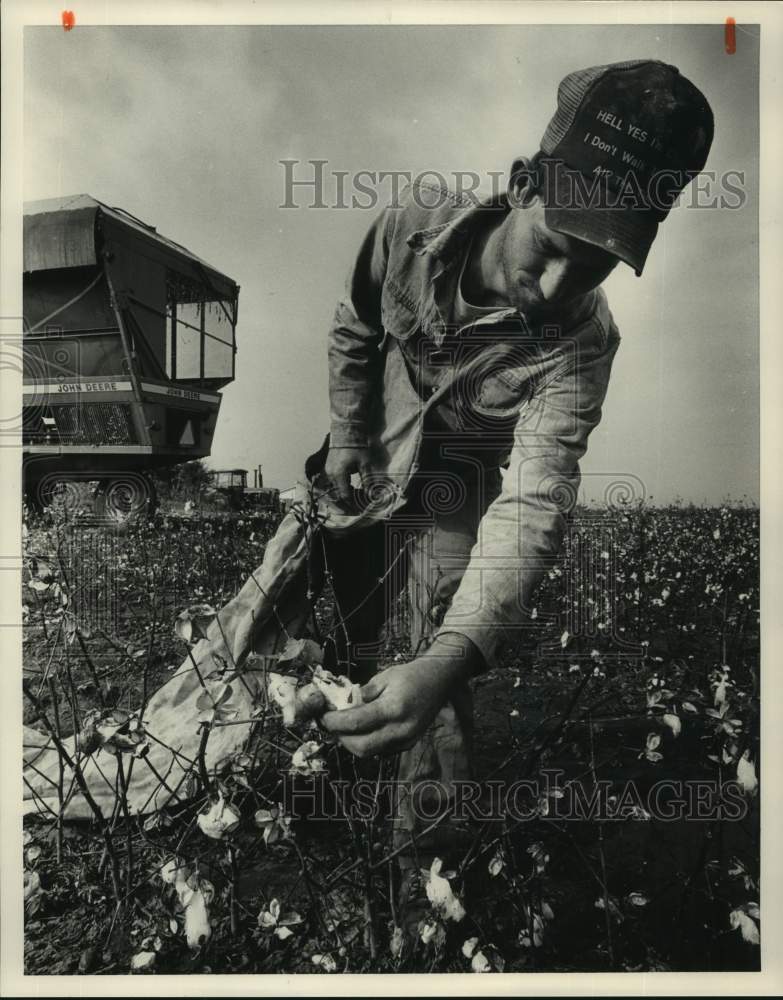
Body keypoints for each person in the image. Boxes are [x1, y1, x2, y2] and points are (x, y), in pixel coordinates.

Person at [312, 59, 714, 866]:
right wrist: (349, 431)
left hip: (461, 482)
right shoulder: (413, 226)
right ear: (524, 182)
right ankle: (334, 785)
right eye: (557, 246)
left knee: (432, 648)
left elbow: (534, 505)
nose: (558, 285)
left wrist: (446, 662)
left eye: (596, 264)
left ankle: (428, 860)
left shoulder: (581, 347)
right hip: (376, 451)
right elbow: (356, 323)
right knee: (344, 623)